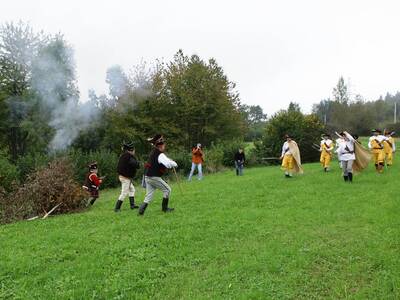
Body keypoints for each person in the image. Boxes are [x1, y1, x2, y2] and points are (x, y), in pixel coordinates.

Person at [138, 134, 178, 216]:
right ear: (160, 145)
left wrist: (170, 161)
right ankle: (164, 208)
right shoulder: (160, 154)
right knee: (167, 190)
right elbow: (167, 164)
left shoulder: (154, 152)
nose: (165, 146)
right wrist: (174, 163)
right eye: (164, 144)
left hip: (147, 176)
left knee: (148, 196)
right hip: (153, 177)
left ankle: (140, 212)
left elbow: (165, 160)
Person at [114, 141, 140, 212]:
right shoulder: (128, 156)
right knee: (124, 192)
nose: (134, 151)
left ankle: (132, 205)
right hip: (125, 178)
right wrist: (138, 163)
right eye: (134, 150)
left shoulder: (124, 155)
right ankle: (117, 208)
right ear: (131, 150)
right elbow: (136, 165)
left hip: (124, 177)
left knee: (132, 189)